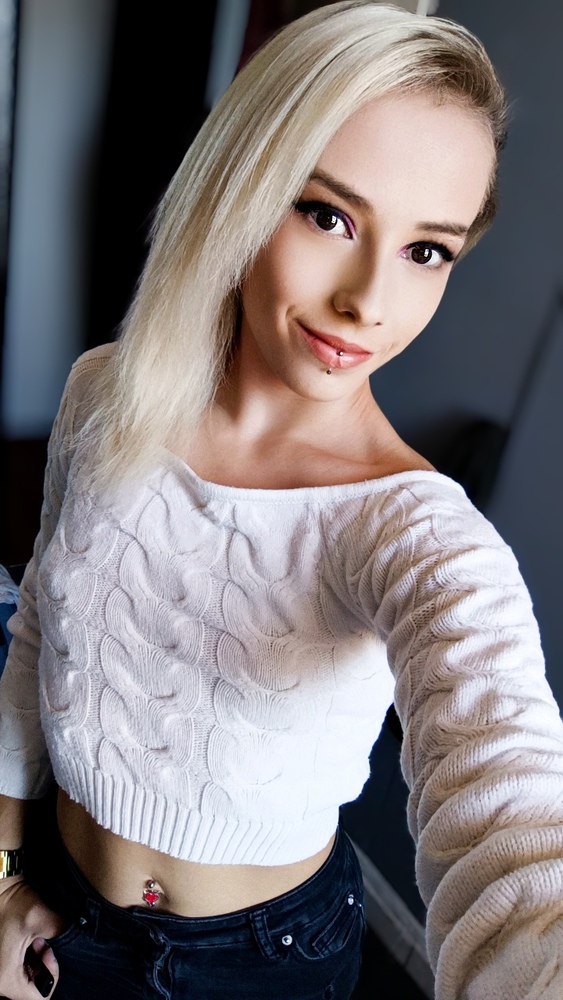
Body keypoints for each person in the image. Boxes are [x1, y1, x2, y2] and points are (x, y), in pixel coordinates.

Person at [1, 2, 563, 998]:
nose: (366, 301)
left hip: (266, 965)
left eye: (424, 250)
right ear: (241, 187)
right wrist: (4, 869)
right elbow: (42, 624)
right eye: (327, 215)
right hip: (54, 897)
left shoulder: (416, 535)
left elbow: (510, 811)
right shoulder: (100, 392)